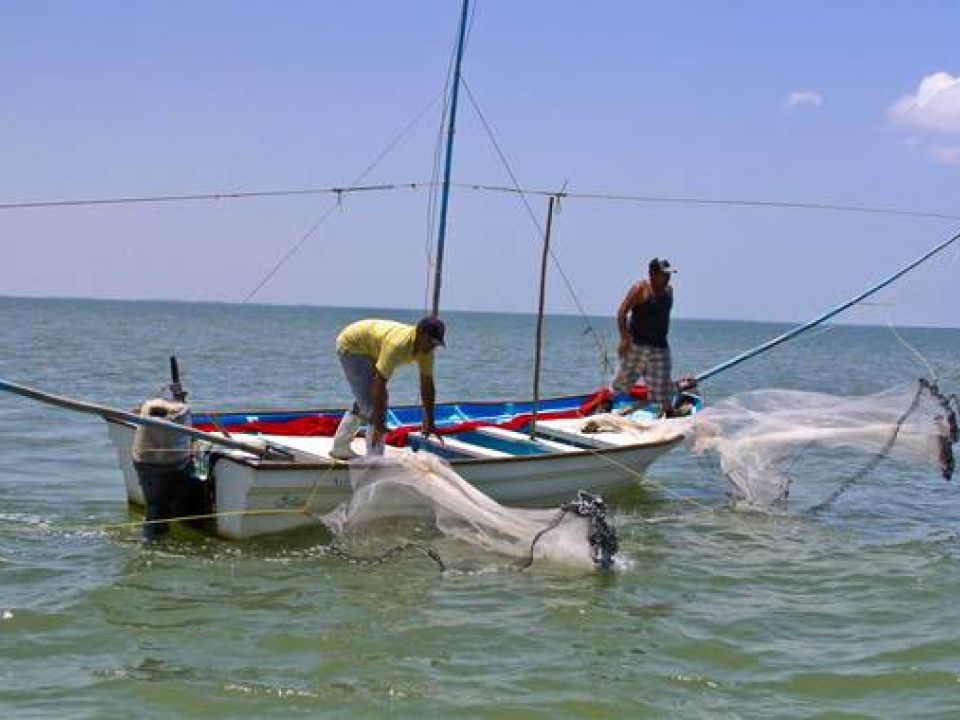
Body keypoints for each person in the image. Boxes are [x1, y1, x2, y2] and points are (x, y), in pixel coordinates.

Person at [330, 316, 445, 460]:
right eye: (429, 342)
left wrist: (430, 420)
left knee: (367, 400)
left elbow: (427, 384)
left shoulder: (426, 352)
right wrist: (378, 424)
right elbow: (379, 383)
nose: (431, 347)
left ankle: (340, 448)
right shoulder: (397, 345)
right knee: (374, 406)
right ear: (420, 333)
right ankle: (375, 460)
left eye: (436, 344)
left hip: (371, 348)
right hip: (352, 345)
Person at [611, 257, 678, 416]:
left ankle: (668, 414)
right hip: (637, 346)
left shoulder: (669, 291)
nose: (668, 277)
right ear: (652, 274)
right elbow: (622, 314)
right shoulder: (640, 289)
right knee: (622, 385)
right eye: (664, 274)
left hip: (660, 347)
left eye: (669, 274)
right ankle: (607, 408)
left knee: (663, 389)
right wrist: (625, 339)